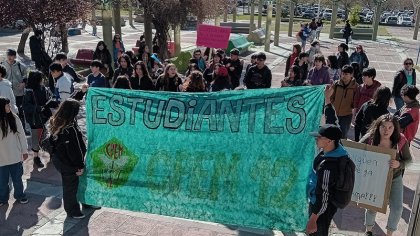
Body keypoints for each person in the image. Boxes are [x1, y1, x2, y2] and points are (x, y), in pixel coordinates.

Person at [306, 86, 350, 235]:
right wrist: (327, 100)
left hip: (321, 211)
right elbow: (333, 121)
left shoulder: (329, 166)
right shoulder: (337, 147)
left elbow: (323, 197)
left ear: (329, 141)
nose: (317, 139)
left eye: (320, 137)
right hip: (322, 206)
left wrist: (313, 219)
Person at [361, 114, 412, 236]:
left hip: (394, 177)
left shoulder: (400, 140)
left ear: (395, 128)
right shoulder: (370, 138)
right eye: (383, 127)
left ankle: (390, 233)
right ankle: (368, 231)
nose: (386, 130)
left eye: (390, 127)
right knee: (372, 205)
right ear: (378, 127)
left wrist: (398, 164)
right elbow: (357, 151)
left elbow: (409, 160)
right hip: (375, 177)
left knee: (397, 208)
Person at [49, 99, 97, 218]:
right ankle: (72, 211)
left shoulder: (59, 121)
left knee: (81, 183)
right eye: (77, 111)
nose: (78, 113)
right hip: (69, 165)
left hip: (62, 161)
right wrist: (79, 167)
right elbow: (74, 151)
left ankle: (86, 203)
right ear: (72, 113)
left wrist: (80, 92)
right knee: (71, 188)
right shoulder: (68, 128)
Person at [0, 96, 29, 207]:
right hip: (1, 158)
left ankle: (20, 195)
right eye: (7, 105)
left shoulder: (14, 117)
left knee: (17, 179)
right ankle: (3, 199)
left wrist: (24, 150)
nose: (9, 107)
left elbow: (21, 135)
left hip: (15, 155)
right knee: (2, 182)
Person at [22, 70, 54, 168]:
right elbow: (26, 106)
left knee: (47, 136)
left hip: (44, 117)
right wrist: (37, 108)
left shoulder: (43, 88)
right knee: (36, 139)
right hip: (34, 120)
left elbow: (47, 99)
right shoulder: (28, 91)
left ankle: (51, 154)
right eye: (41, 78)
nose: (42, 80)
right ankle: (36, 158)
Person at [2, 49, 27, 134]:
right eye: (8, 55)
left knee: (19, 111)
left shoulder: (20, 66)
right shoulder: (2, 65)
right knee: (6, 111)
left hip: (19, 93)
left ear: (15, 56)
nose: (10, 57)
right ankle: (8, 130)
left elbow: (25, 76)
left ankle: (22, 130)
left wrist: (23, 83)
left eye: (12, 55)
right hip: (6, 94)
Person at [330, 65, 359, 138]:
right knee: (331, 134)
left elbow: (356, 101)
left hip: (346, 115)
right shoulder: (336, 84)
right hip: (335, 114)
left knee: (342, 135)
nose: (344, 76)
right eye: (343, 74)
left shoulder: (356, 87)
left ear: (351, 75)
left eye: (346, 74)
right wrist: (333, 105)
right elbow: (331, 97)